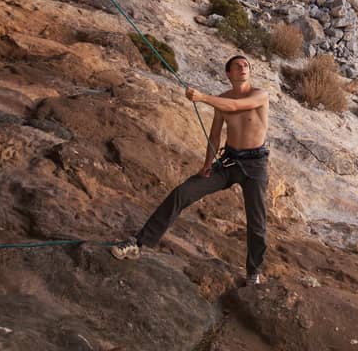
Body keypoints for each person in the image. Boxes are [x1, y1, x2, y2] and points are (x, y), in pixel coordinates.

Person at [111, 54, 271, 285]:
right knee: (182, 192)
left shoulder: (259, 95)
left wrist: (203, 97)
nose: (243, 67)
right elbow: (215, 136)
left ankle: (253, 273)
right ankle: (138, 243)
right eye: (238, 65)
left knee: (257, 223)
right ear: (229, 74)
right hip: (228, 162)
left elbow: (236, 106)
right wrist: (207, 164)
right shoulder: (221, 100)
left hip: (255, 165)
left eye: (246, 64)